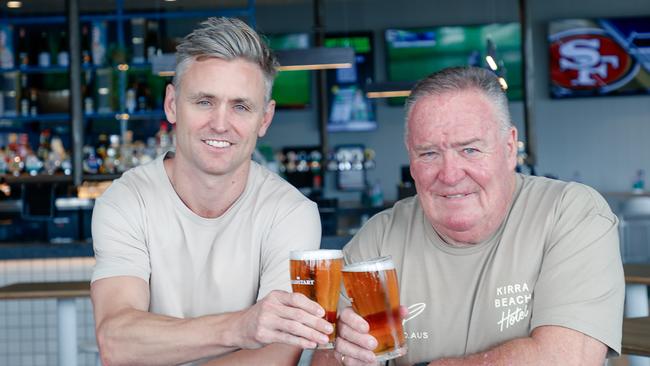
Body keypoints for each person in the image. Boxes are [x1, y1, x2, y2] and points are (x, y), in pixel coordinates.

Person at [327, 66, 625, 365]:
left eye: (469, 149)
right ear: (411, 158)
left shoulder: (570, 213)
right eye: (429, 153)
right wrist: (343, 356)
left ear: (509, 148)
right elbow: (325, 357)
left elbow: (566, 359)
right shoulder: (378, 239)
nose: (450, 174)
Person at [91, 17, 332, 365]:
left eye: (241, 106)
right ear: (172, 104)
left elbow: (275, 357)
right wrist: (240, 328)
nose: (220, 123)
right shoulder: (127, 201)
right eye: (204, 101)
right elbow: (116, 341)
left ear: (264, 119)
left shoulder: (291, 213)